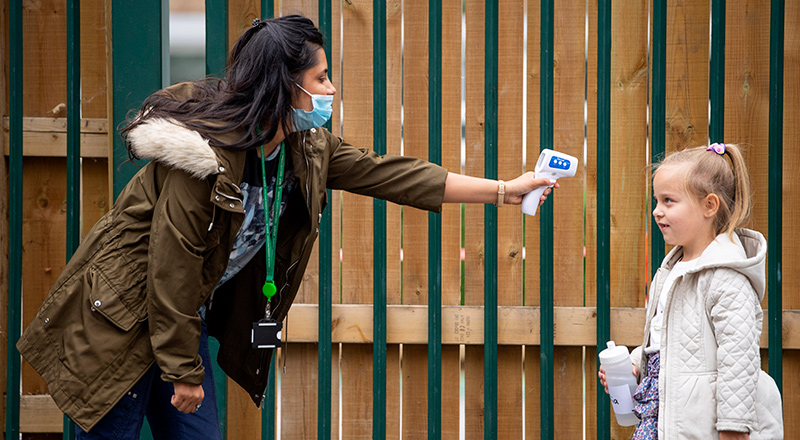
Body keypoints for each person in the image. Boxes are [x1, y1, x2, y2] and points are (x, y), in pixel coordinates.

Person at [17, 15, 558, 439]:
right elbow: (170, 265)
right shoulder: (199, 157)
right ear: (284, 85)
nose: (330, 88)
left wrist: (507, 191)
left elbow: (394, 175)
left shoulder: (304, 148)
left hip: (181, 321)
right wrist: (184, 370)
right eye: (320, 77)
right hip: (121, 322)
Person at [598, 143, 783, 439]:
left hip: (706, 425)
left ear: (710, 206)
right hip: (666, 416)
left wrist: (733, 427)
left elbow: (738, 360)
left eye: (669, 201)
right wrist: (634, 365)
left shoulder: (727, 277)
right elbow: (665, 339)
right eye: (656, 201)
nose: (657, 211)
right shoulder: (672, 269)